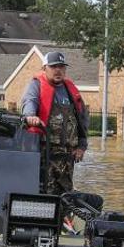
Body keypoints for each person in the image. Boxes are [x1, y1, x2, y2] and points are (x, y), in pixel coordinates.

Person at [21, 51, 89, 197]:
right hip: (45, 151)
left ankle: (64, 218)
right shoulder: (35, 85)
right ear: (44, 68)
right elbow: (30, 102)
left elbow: (82, 118)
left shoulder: (69, 89)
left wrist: (82, 146)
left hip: (68, 154)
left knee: (66, 194)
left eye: (61, 67)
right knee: (46, 191)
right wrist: (30, 116)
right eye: (54, 67)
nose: (58, 70)